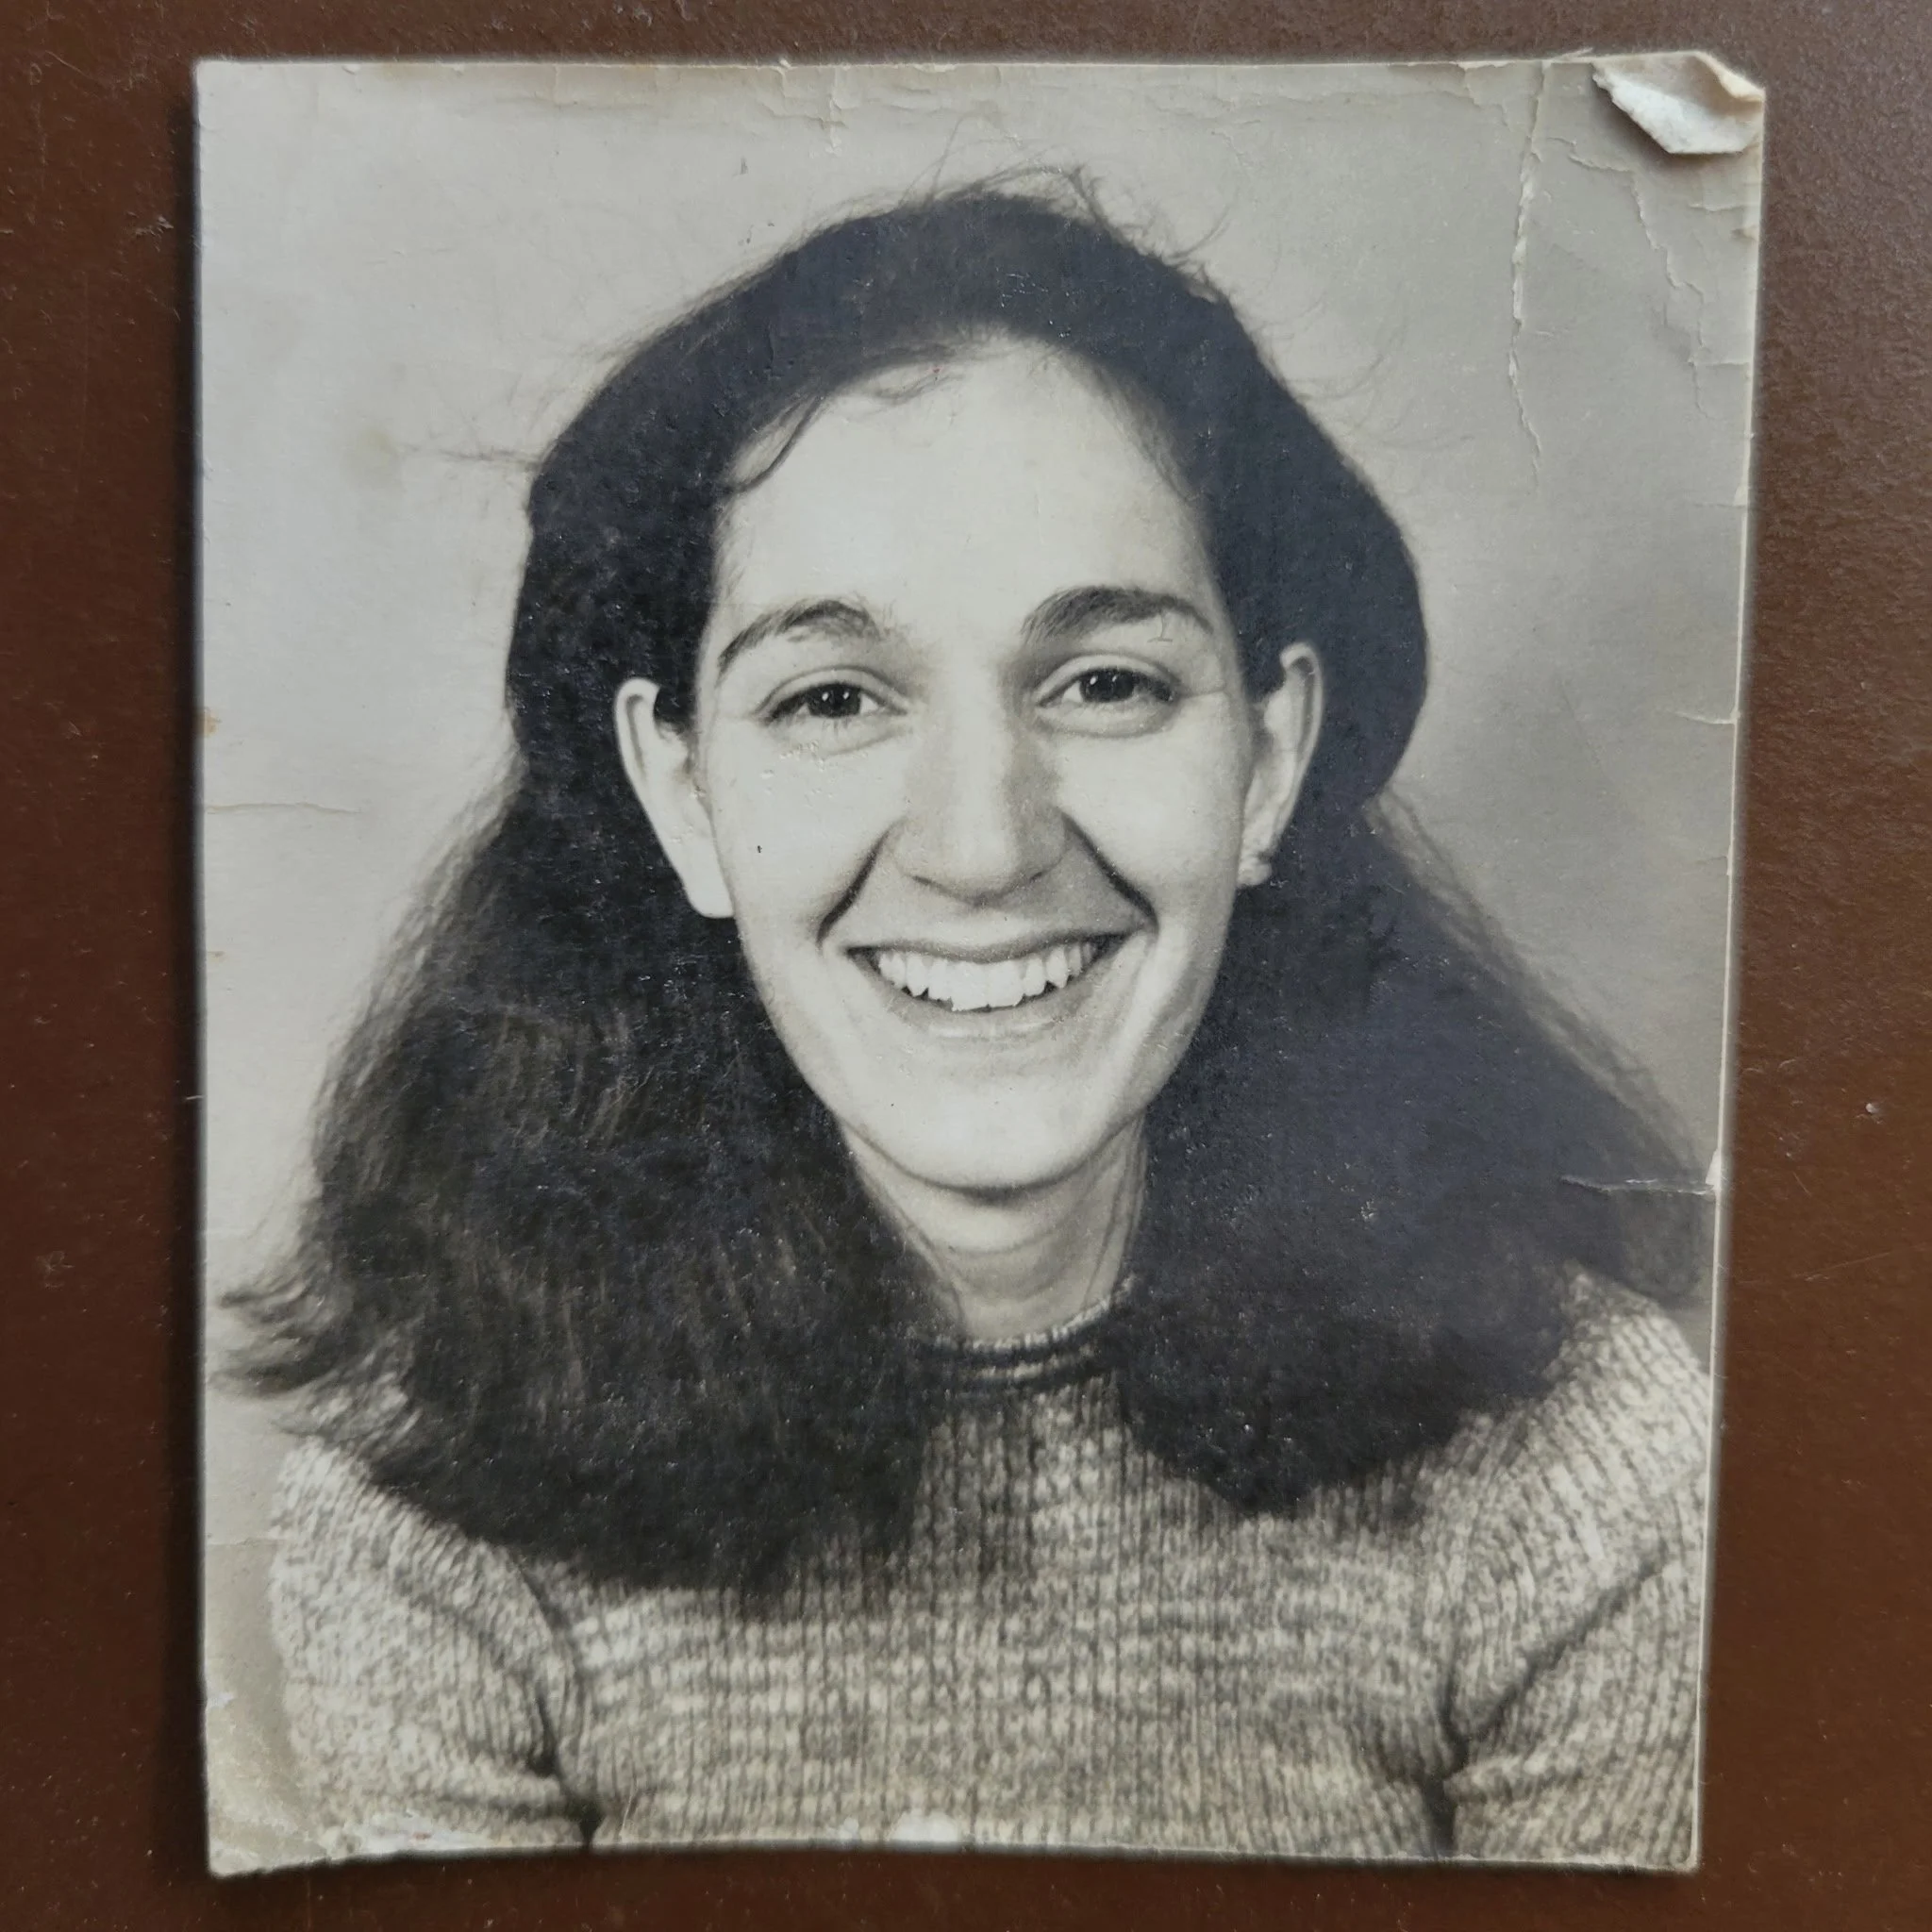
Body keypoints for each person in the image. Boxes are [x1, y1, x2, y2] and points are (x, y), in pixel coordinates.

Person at [245, 181, 1712, 1866]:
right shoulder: (429, 1496)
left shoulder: (1584, 1457)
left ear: (1271, 759)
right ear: (683, 793)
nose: (982, 844)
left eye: (1106, 682)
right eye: (832, 698)